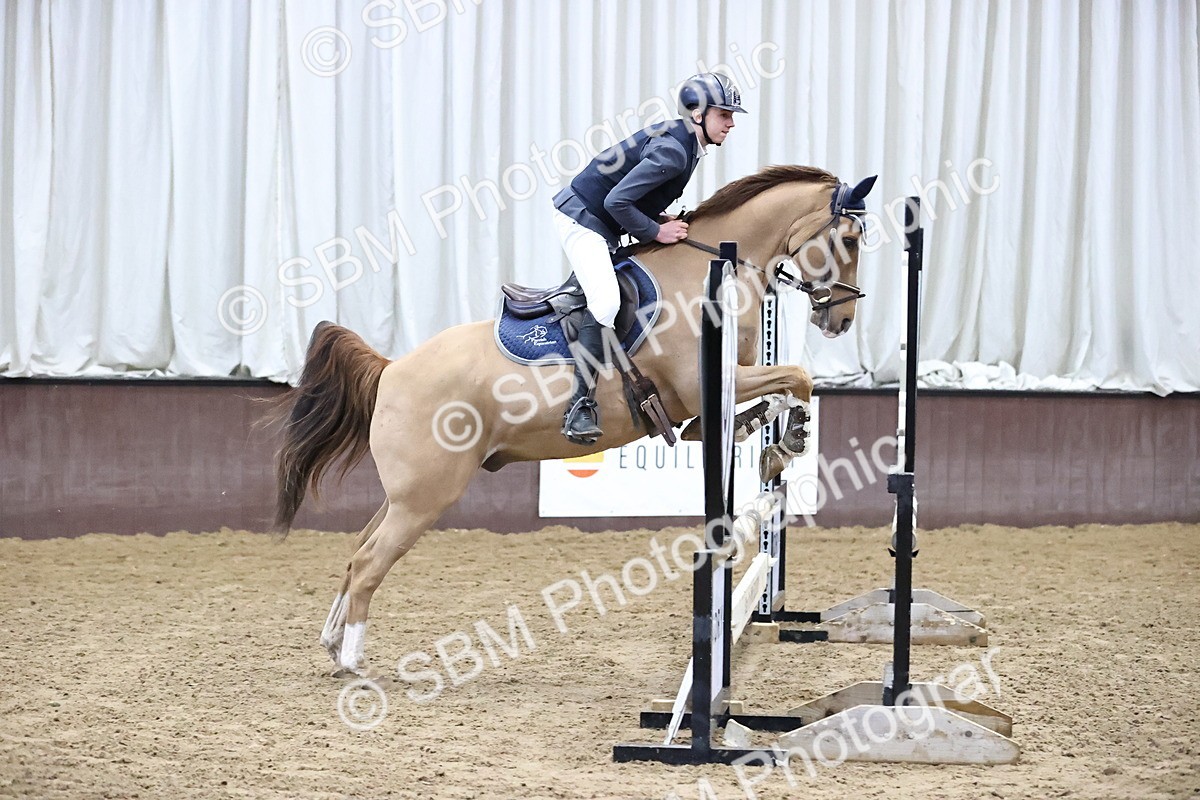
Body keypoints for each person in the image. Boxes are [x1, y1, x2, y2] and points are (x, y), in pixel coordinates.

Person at [551, 72, 746, 444]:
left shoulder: (685, 141)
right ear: (699, 114)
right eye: (724, 114)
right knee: (606, 302)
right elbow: (615, 201)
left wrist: (656, 219)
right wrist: (656, 231)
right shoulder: (675, 150)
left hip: (602, 218)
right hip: (582, 219)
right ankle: (578, 407)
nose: (731, 123)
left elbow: (628, 195)